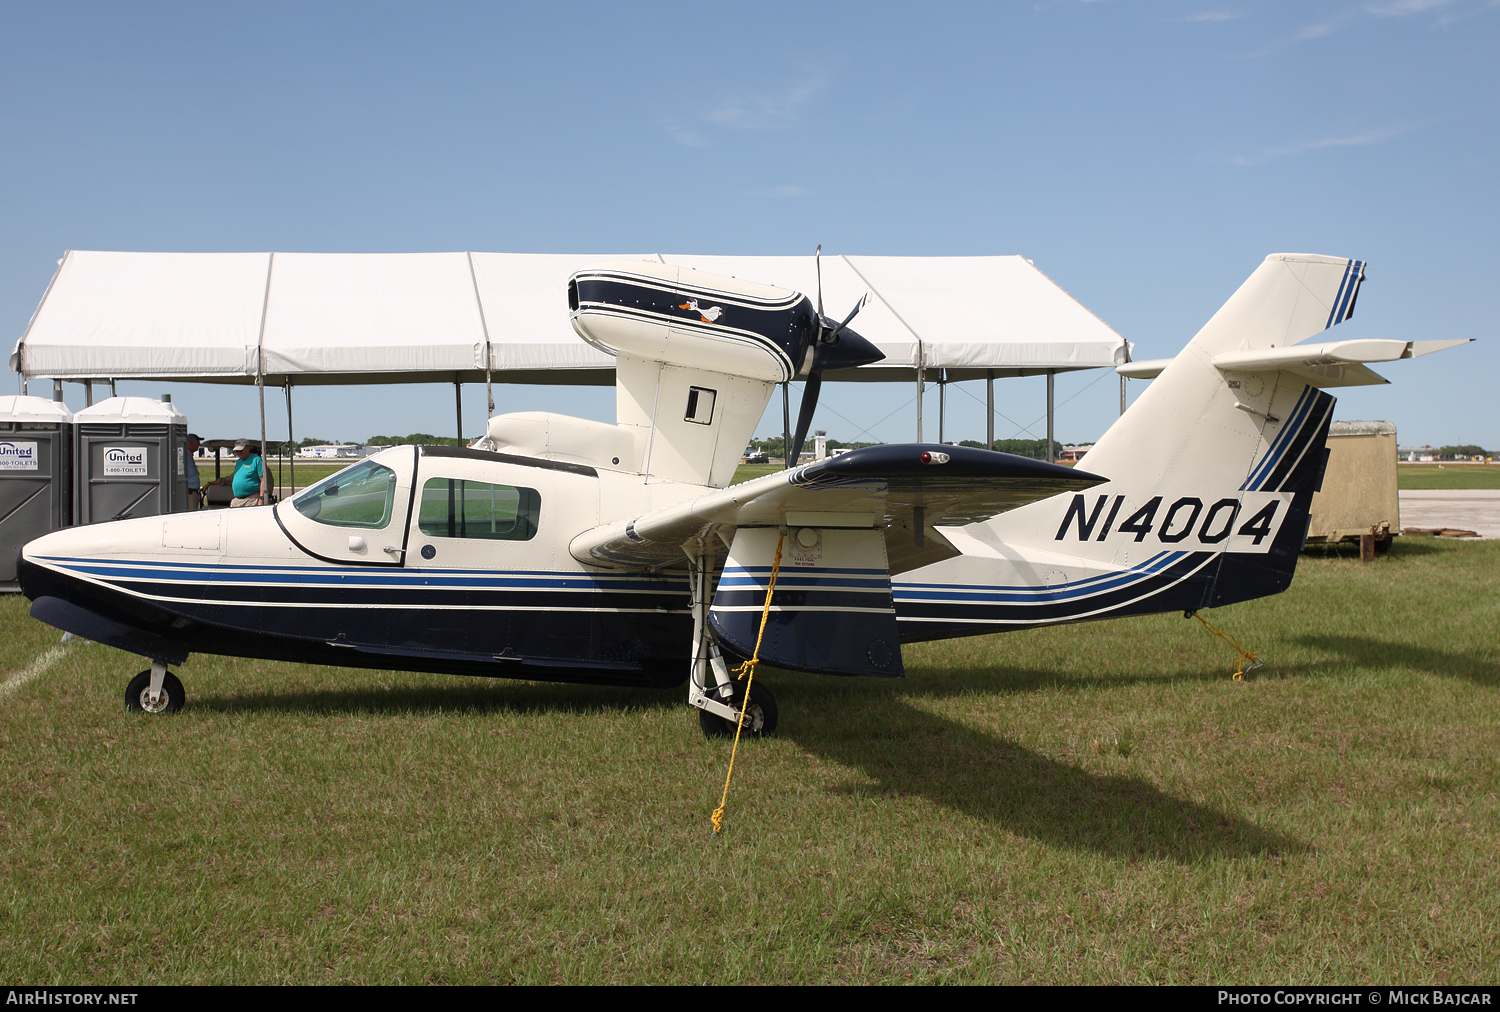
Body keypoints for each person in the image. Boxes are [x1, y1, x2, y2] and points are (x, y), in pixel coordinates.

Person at [208, 439, 266, 507]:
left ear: (247, 448)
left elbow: (263, 480)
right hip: (237, 500)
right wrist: (210, 483)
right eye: (237, 451)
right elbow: (232, 478)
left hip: (251, 499)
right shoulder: (239, 462)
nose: (238, 453)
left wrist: (262, 498)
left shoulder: (256, 460)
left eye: (241, 450)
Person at [185, 433, 202, 509]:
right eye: (197, 442)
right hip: (190, 493)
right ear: (190, 443)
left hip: (194, 492)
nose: (199, 445)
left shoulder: (189, 456)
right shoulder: (185, 456)